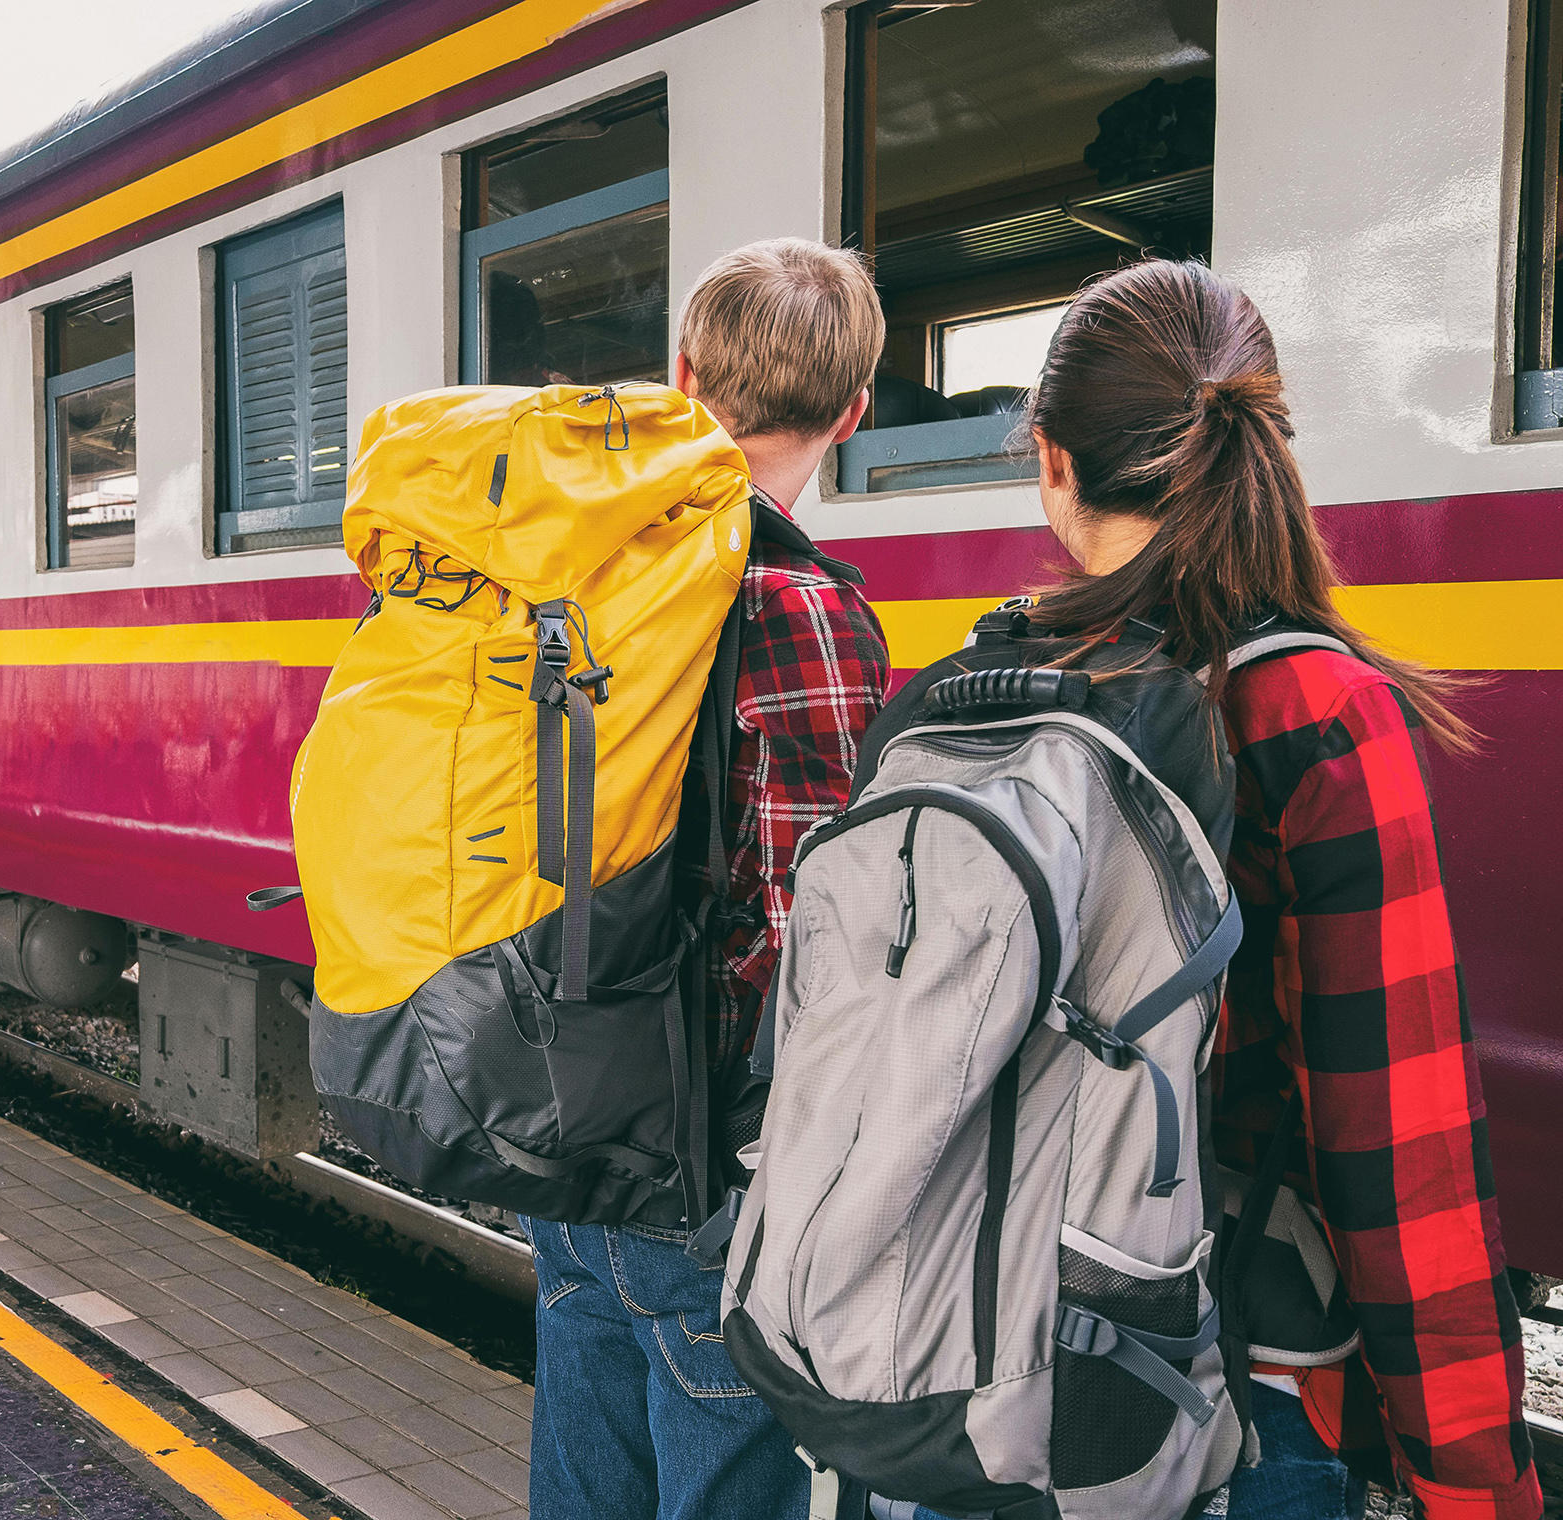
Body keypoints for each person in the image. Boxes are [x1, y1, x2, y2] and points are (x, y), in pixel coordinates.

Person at [1019, 259, 1542, 1519]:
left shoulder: (1001, 688)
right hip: (1236, 1380)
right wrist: (1475, 1483)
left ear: (1051, 461)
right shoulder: (1315, 712)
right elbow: (1395, 1143)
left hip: (989, 1352)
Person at [523, 238, 892, 1520]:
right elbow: (808, 922)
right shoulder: (802, 604)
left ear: (681, 373)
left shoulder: (571, 572)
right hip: (703, 1154)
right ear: (855, 411)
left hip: (566, 1112)